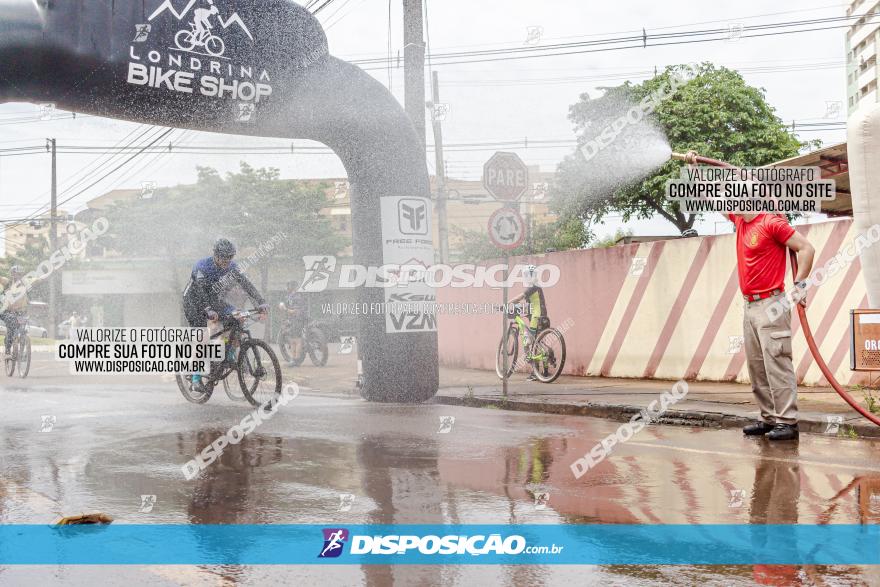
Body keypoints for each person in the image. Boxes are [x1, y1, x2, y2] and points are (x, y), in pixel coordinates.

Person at [730, 212, 815, 441]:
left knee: (776, 363)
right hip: (749, 305)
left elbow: (807, 248)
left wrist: (800, 284)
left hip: (772, 303)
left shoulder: (771, 222)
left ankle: (787, 422)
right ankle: (768, 418)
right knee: (757, 366)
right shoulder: (740, 221)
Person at [182, 239, 268, 391]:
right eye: (223, 257)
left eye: (230, 257)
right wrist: (208, 310)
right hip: (194, 302)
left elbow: (246, 284)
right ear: (215, 255)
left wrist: (260, 302)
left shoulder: (232, 267)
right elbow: (201, 292)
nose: (226, 261)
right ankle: (195, 377)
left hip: (214, 301)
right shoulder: (202, 266)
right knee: (203, 338)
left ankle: (228, 354)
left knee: (237, 318)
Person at [509, 264, 549, 381]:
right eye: (526, 275)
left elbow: (520, 297)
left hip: (536, 318)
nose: (527, 277)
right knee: (539, 343)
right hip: (542, 317)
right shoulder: (536, 287)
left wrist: (507, 303)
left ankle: (535, 372)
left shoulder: (533, 287)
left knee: (528, 343)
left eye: (528, 275)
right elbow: (532, 304)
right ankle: (544, 371)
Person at [0, 266, 27, 359]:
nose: (18, 276)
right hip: (6, 311)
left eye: (20, 274)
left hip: (20, 312)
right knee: (11, 325)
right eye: (16, 274)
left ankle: (21, 352)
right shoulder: (7, 282)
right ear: (12, 274)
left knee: (23, 330)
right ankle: (7, 351)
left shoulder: (24, 285)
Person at [279, 280, 307, 366]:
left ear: (291, 287)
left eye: (288, 286)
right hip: (295, 320)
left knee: (296, 340)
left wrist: (285, 309)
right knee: (294, 340)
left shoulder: (296, 297)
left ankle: (295, 360)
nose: (287, 288)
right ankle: (295, 359)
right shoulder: (291, 297)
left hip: (297, 320)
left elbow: (295, 311)